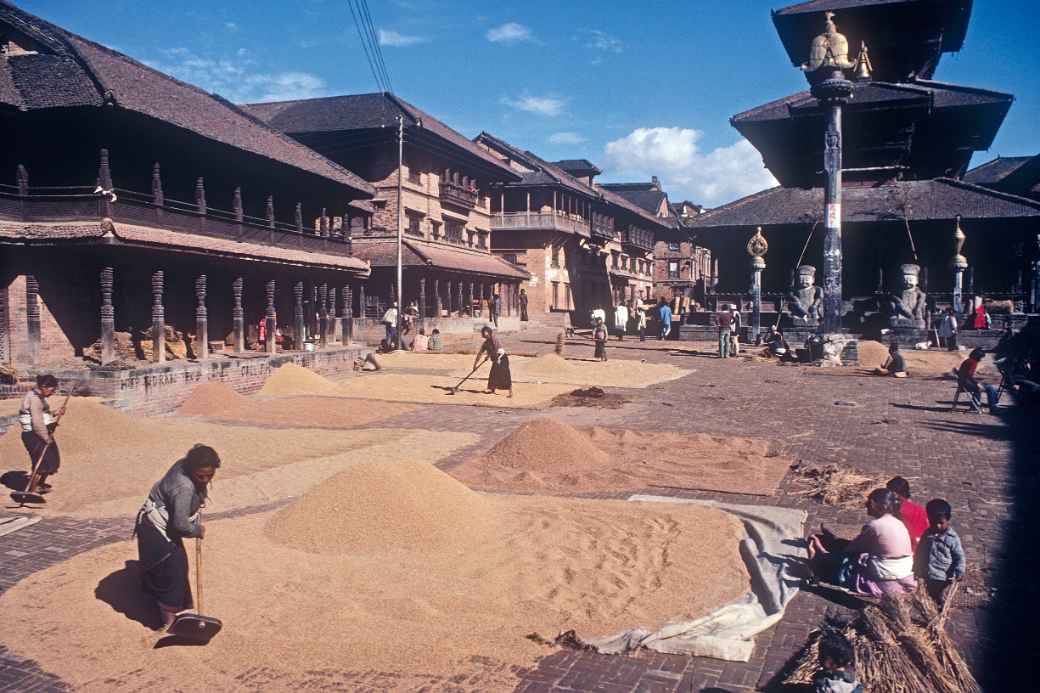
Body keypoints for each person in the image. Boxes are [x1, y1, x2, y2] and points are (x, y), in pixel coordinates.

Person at [134, 444, 220, 630]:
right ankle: (168, 622)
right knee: (173, 569)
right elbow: (180, 525)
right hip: (155, 527)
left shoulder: (186, 465)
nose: (205, 480)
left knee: (173, 566)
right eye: (200, 476)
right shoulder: (184, 487)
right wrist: (197, 530)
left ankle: (166, 609)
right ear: (191, 469)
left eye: (209, 475)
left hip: (162, 524)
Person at [807, 488, 917, 597]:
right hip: (905, 568)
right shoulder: (898, 523)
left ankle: (819, 563)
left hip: (887, 571)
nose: (866, 505)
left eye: (868, 502)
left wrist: (827, 553)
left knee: (845, 563)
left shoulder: (875, 525)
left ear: (874, 504)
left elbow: (854, 549)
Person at [18, 374, 64, 496]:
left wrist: (55, 413)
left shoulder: (40, 397)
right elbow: (37, 423)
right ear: (44, 386)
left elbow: (43, 415)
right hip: (35, 435)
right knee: (42, 462)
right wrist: (46, 438)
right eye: (52, 389)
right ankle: (32, 489)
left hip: (42, 433)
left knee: (52, 461)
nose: (53, 392)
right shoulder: (34, 399)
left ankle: (40, 485)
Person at [914, 498, 966, 607]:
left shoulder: (952, 538)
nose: (937, 526)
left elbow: (959, 556)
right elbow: (920, 551)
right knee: (929, 597)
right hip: (928, 574)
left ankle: (940, 615)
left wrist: (959, 571)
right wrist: (916, 567)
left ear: (948, 519)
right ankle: (932, 613)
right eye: (933, 522)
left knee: (942, 599)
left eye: (941, 523)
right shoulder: (927, 534)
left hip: (944, 577)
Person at [886, 476, 928, 550]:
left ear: (894, 494)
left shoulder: (898, 511)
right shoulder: (920, 510)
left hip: (909, 548)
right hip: (923, 547)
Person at [475, 326, 512, 397]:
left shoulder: (494, 339)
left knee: (505, 375)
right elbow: (480, 354)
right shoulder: (485, 343)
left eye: (486, 333)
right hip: (495, 359)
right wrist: (475, 365)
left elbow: (496, 349)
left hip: (502, 358)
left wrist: (489, 356)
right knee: (493, 374)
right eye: (484, 333)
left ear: (489, 333)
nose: (485, 334)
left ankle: (510, 392)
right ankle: (492, 389)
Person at [951, 347, 985, 412]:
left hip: (962, 383)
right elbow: (969, 375)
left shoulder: (967, 360)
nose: (982, 359)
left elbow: (963, 374)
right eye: (981, 357)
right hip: (966, 384)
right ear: (978, 357)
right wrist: (977, 383)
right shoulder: (973, 362)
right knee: (989, 388)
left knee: (982, 387)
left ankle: (975, 406)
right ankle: (993, 407)